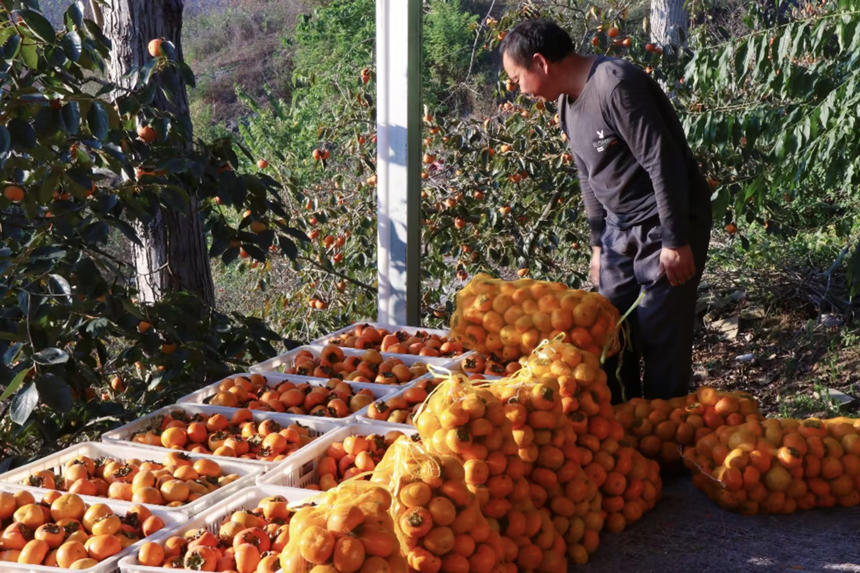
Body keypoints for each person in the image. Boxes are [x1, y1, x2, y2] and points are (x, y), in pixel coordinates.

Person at [499, 19, 712, 402]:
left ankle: (665, 442)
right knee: (610, 334)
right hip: (619, 230)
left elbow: (662, 162)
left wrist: (675, 239)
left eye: (517, 80)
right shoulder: (565, 104)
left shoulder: (615, 84)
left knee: (660, 339)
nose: (518, 91)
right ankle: (624, 433)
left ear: (540, 63)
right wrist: (599, 246)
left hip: (662, 224)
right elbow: (589, 175)